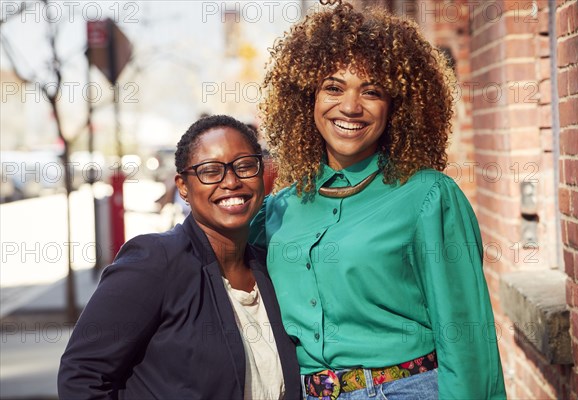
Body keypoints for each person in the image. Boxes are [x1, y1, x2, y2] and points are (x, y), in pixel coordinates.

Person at [250, 2, 506, 399]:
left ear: (396, 107)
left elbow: (466, 338)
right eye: (333, 87)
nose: (351, 107)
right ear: (307, 99)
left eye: (371, 91)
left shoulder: (427, 196)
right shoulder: (278, 209)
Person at [58, 115, 301, 399]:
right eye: (211, 171)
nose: (232, 181)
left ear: (261, 174)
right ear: (183, 187)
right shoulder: (154, 262)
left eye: (245, 166)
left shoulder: (272, 268)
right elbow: (81, 376)